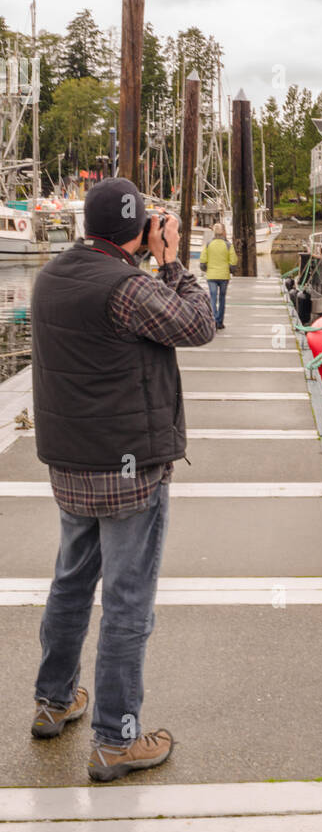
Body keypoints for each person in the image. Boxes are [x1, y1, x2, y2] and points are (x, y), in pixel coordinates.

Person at [29, 177, 215, 782]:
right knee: (128, 603)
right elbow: (197, 325)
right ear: (137, 231)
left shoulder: (50, 277)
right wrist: (172, 261)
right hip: (129, 473)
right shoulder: (129, 285)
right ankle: (116, 738)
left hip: (70, 466)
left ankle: (55, 701)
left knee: (71, 583)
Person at [199, 222, 237, 329]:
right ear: (223, 232)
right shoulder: (228, 245)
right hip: (224, 276)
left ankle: (214, 319)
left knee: (213, 298)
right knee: (222, 298)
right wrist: (230, 270)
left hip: (211, 276)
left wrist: (205, 269)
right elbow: (233, 261)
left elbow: (203, 260)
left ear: (214, 232)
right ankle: (220, 322)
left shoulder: (208, 244)